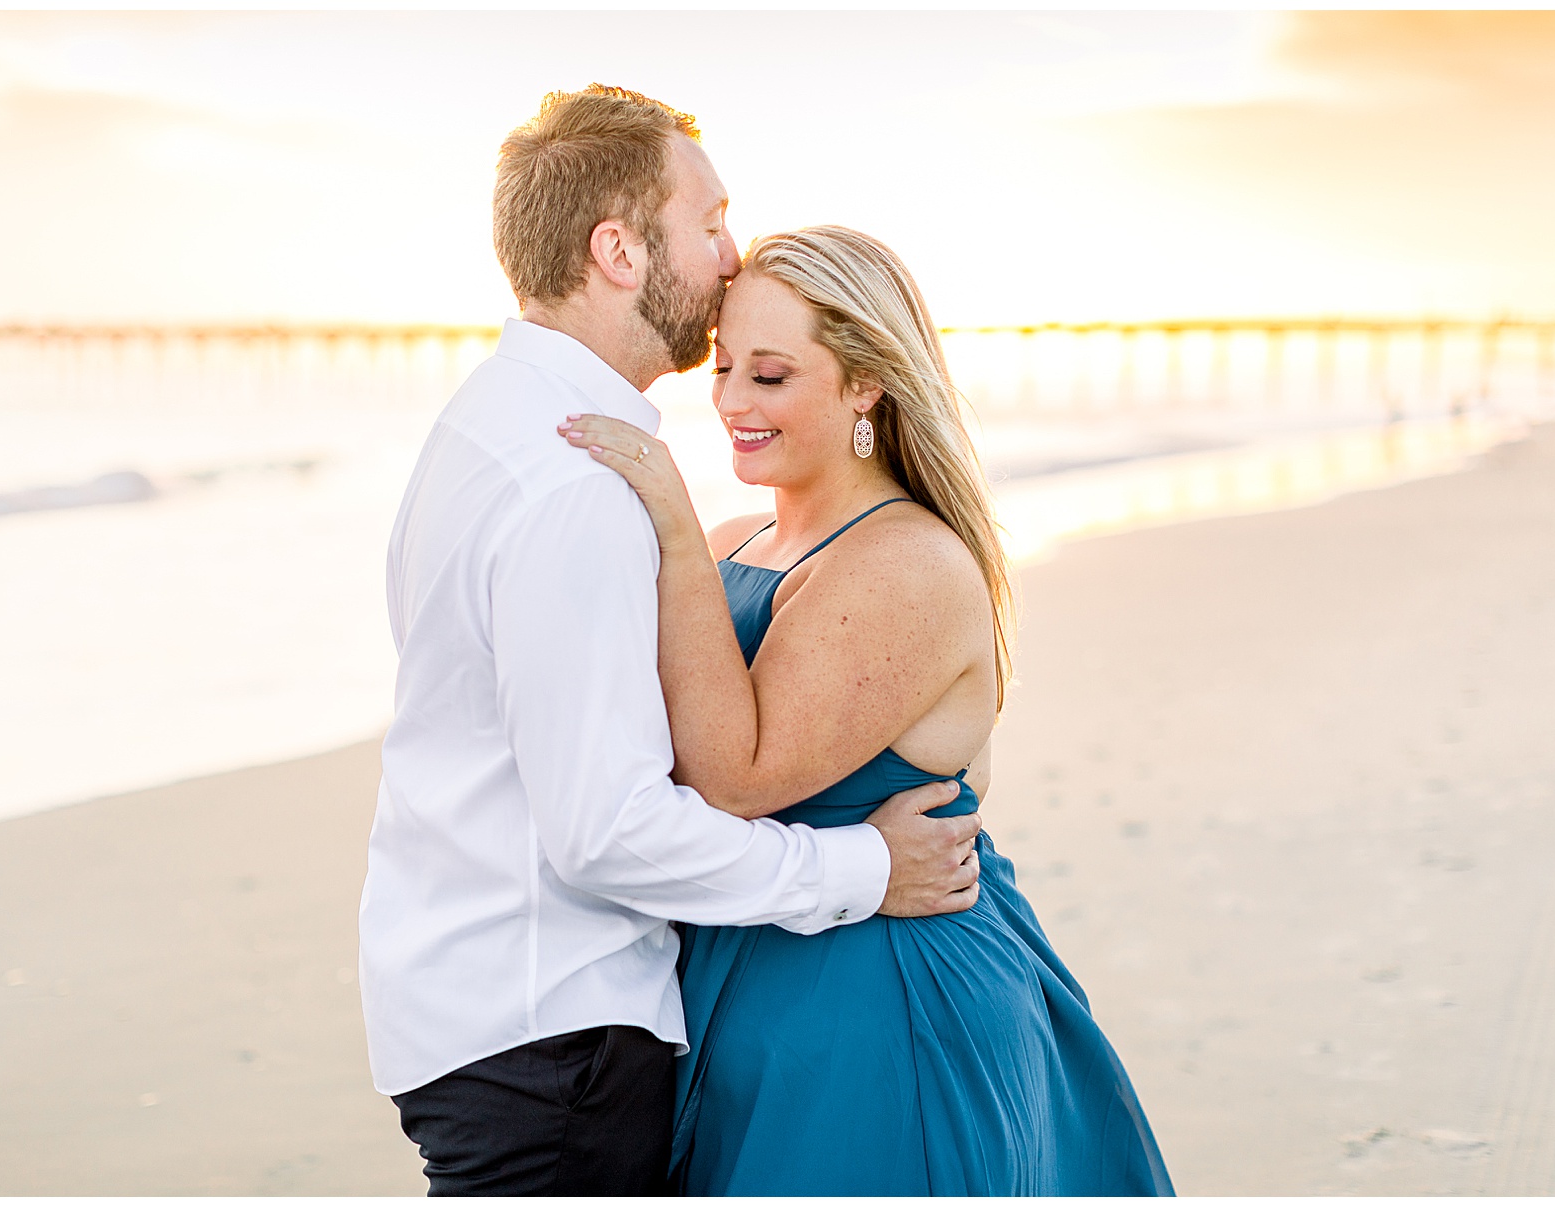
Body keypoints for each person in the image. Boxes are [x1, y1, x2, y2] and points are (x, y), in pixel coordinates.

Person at [358, 86, 983, 1197]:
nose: (729, 252)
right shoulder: (580, 485)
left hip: (502, 1005)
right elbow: (610, 830)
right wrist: (863, 863)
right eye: (708, 221)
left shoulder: (487, 428)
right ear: (618, 250)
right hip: (554, 1025)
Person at [558, 226, 1175, 1195]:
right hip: (754, 970)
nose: (729, 402)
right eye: (724, 368)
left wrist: (672, 533)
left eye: (770, 375)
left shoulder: (904, 564)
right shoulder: (740, 538)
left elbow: (735, 778)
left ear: (865, 384)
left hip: (885, 1005)